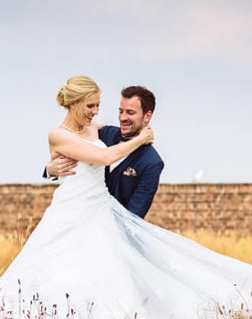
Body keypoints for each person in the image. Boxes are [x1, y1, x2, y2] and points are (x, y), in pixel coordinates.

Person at [0, 75, 252, 319]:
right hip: (70, 212)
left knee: (111, 283)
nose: (102, 113)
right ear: (75, 102)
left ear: (146, 116)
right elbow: (100, 156)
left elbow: (135, 211)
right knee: (58, 276)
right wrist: (49, 169)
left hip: (106, 219)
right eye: (93, 106)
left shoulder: (141, 156)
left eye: (119, 110)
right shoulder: (79, 134)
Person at [43, 85, 163, 219]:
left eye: (130, 112)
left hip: (111, 226)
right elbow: (71, 146)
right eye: (120, 111)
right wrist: (49, 169)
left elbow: (134, 215)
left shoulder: (152, 162)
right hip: (73, 211)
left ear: (147, 116)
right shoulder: (104, 134)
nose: (122, 118)